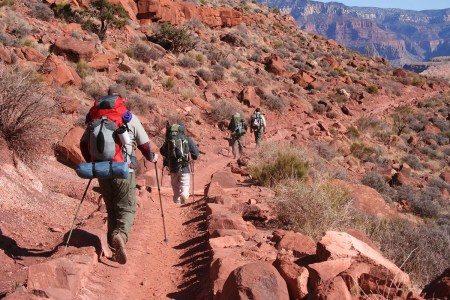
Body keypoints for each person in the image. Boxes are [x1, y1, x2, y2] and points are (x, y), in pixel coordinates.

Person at [80, 84, 158, 265]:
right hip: (123, 169)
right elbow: (144, 144)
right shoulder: (127, 117)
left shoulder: (95, 116)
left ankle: (113, 248)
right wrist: (151, 157)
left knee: (112, 208)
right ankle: (120, 236)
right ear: (124, 99)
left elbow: (84, 144)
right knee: (127, 208)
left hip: (101, 170)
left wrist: (93, 162)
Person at [160, 123, 199, 204]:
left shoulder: (169, 140)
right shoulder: (187, 139)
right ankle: (184, 194)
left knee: (175, 187)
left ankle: (177, 203)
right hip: (184, 166)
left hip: (172, 167)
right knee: (185, 184)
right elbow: (195, 154)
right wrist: (193, 156)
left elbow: (162, 151)